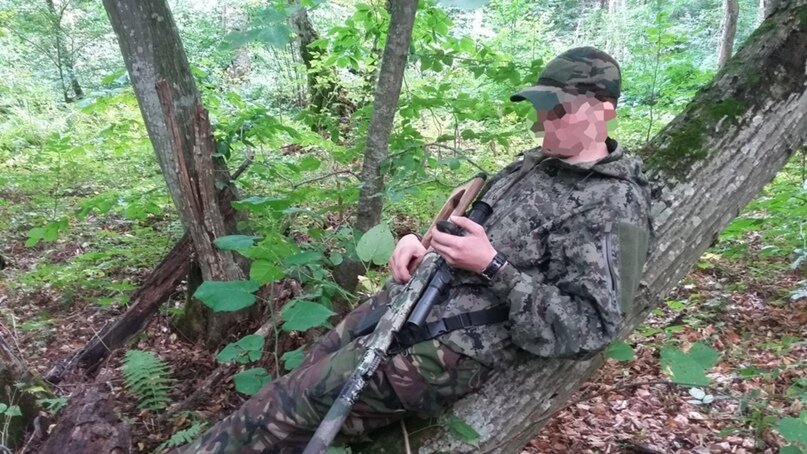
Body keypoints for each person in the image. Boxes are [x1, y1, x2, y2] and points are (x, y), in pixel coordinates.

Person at [181, 46, 652, 454]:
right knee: (300, 383)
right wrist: (423, 245)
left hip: (450, 346)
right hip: (408, 303)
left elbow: (591, 328)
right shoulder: (532, 166)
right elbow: (472, 230)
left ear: (604, 111)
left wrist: (494, 267)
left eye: (557, 110)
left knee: (280, 410)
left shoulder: (613, 202)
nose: (541, 122)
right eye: (540, 108)